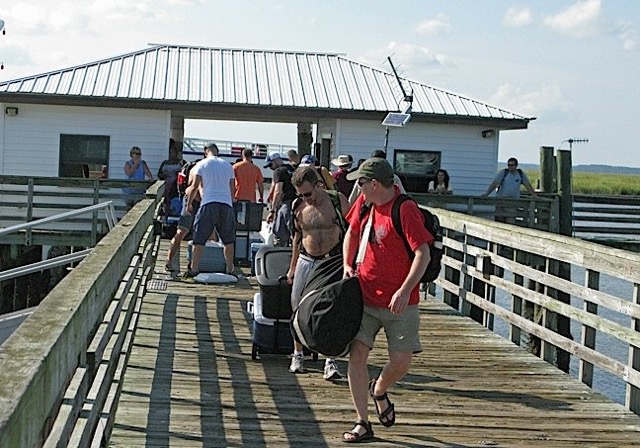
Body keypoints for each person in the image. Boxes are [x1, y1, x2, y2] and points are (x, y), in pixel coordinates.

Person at [341, 157, 432, 443]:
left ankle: (379, 389)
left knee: (401, 362)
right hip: (365, 295)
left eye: (361, 183)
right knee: (357, 355)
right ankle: (362, 422)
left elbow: (423, 254)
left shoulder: (405, 209)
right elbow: (352, 232)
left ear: (375, 184)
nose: (358, 188)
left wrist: (404, 290)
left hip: (400, 300)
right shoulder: (365, 204)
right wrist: (347, 264)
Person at [286, 166, 350, 380]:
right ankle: (298, 354)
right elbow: (296, 237)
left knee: (330, 312)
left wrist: (350, 264)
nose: (306, 198)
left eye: (308, 193)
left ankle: (329, 360)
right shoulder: (298, 206)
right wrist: (292, 267)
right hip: (306, 259)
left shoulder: (337, 201)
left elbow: (353, 232)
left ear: (319, 186)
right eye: (301, 194)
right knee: (296, 307)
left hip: (332, 260)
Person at [185, 142, 236, 277]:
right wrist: (230, 202)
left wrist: (188, 204)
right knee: (228, 240)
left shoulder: (201, 164)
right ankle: (230, 269)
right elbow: (232, 187)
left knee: (199, 238)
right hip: (226, 204)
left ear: (205, 152)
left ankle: (194, 269)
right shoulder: (228, 165)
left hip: (208, 203)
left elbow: (194, 186)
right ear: (217, 151)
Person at [482, 157, 536, 223]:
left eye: (512, 165)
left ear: (516, 166)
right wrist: (487, 194)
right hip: (501, 201)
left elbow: (528, 186)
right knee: (499, 221)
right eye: (509, 165)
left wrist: (534, 196)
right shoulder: (504, 173)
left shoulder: (520, 174)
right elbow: (495, 184)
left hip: (513, 203)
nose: (510, 167)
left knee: (511, 222)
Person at [265, 153, 296, 247]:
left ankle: (279, 253)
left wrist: (272, 210)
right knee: (295, 233)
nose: (271, 168)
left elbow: (278, 190)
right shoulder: (292, 169)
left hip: (286, 203)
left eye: (271, 165)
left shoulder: (278, 171)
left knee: (280, 234)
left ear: (276, 161)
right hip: (298, 202)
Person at [157, 138, 186, 214]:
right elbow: (159, 174)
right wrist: (164, 175)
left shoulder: (181, 163)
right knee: (164, 201)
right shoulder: (165, 162)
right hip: (166, 185)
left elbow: (185, 174)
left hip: (175, 186)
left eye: (173, 152)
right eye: (170, 152)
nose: (171, 154)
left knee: (174, 202)